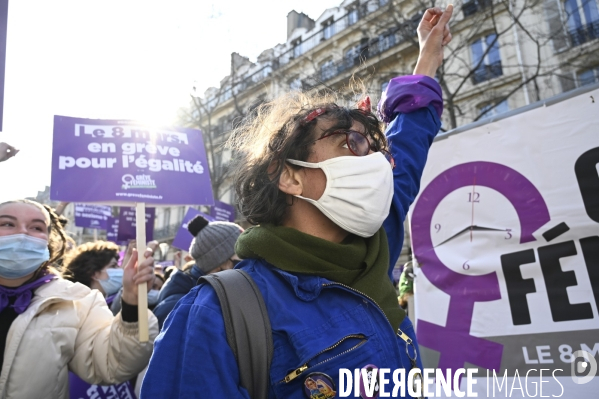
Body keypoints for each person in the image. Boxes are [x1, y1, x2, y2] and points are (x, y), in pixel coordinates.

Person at [142, 6, 453, 398]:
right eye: (351, 143)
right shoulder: (214, 315)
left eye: (376, 148)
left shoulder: (377, 247)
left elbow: (408, 144)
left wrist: (427, 59)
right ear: (290, 175)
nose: (375, 162)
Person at [0, 199, 159, 398]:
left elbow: (112, 365)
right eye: (7, 224)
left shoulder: (76, 301)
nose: (23, 233)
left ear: (48, 241)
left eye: (36, 227)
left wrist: (132, 303)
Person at [152, 214, 243, 328]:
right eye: (240, 261)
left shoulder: (218, 295)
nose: (246, 267)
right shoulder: (176, 309)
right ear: (219, 265)